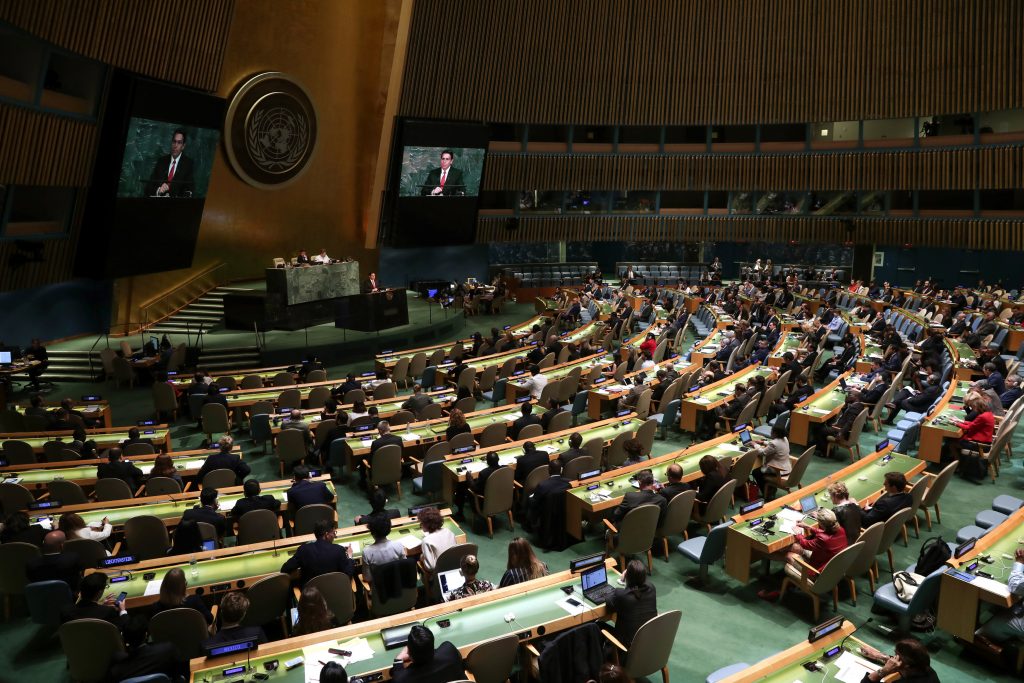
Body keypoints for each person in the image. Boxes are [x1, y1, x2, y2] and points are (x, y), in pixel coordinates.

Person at [758, 508, 848, 602]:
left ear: (822, 524)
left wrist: (798, 534)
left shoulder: (823, 539)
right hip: (827, 565)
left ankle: (766, 555)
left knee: (789, 555)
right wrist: (808, 527)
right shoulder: (840, 529)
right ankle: (772, 555)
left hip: (817, 573)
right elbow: (825, 533)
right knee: (795, 547)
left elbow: (805, 544)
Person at [109, 614, 188, 682]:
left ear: (124, 639)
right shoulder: (167, 650)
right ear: (146, 635)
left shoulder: (117, 671)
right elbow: (178, 676)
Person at [281, 519, 356, 585]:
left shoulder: (303, 549)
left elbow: (285, 569)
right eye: (334, 533)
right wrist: (350, 556)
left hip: (311, 596)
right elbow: (348, 575)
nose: (335, 536)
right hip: (333, 593)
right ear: (326, 535)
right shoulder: (339, 550)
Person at [391, 624, 467, 682]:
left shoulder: (402, 679)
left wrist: (398, 659)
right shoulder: (449, 650)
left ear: (409, 654)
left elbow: (398, 676)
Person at [608, 559, 658, 646]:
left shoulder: (622, 595)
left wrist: (623, 581)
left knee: (598, 625)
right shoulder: (652, 588)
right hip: (646, 643)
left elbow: (609, 604)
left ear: (627, 576)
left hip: (625, 647)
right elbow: (637, 590)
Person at [149, 567, 214, 625]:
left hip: (168, 638)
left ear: (163, 586)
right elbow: (210, 619)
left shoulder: (155, 608)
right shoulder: (195, 601)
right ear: (183, 586)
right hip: (195, 638)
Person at [953, 394, 994, 482]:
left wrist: (956, 423)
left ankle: (958, 466)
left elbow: (970, 428)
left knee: (952, 443)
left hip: (981, 445)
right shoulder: (988, 413)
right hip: (985, 442)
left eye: (973, 407)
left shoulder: (982, 416)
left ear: (978, 406)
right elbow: (973, 424)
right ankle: (959, 464)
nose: (973, 409)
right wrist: (960, 421)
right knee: (955, 440)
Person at [857, 639, 940, 683]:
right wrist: (879, 656)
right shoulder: (927, 669)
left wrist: (883, 671)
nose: (894, 658)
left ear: (906, 664)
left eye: (896, 655)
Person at [202, 591, 268, 647]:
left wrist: (211, 637)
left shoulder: (207, 644)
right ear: (243, 616)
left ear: (221, 612)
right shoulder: (257, 633)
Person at [60, 571, 126, 626]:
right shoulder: (109, 612)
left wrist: (101, 606)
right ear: (99, 592)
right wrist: (122, 610)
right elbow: (123, 628)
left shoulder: (66, 612)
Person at [813, 390, 865, 458]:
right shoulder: (859, 406)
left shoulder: (854, 408)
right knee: (828, 422)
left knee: (818, 429)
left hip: (842, 431)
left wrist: (841, 433)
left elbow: (849, 423)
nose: (848, 396)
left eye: (850, 395)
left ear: (856, 397)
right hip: (841, 426)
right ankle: (819, 445)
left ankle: (824, 452)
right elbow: (846, 414)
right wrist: (846, 403)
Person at [146, 128, 194, 197]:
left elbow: (190, 189)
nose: (175, 145)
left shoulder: (188, 164)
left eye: (179, 142)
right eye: (174, 141)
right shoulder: (161, 161)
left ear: (183, 146)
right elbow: (149, 187)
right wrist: (158, 190)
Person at [361, 516, 406, 582]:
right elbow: (405, 568)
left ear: (372, 532)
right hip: (399, 586)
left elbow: (367, 578)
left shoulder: (366, 552)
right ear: (389, 530)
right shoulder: (398, 545)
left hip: (379, 590)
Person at [751, 423, 791, 495]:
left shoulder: (774, 443)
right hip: (786, 468)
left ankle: (767, 493)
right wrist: (763, 442)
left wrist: (755, 445)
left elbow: (762, 453)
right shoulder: (785, 438)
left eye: (772, 431)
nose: (771, 432)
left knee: (756, 472)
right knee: (760, 470)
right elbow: (775, 444)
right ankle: (770, 489)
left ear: (776, 433)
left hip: (778, 470)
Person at [418, 506, 457, 573]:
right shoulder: (448, 531)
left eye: (421, 523)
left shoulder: (426, 540)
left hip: (439, 575)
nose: (420, 525)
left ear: (427, 524)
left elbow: (430, 567)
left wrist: (422, 558)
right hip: (454, 569)